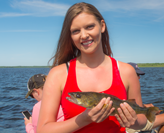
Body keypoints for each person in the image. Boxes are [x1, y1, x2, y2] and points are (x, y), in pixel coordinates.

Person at [37, 2, 156, 133]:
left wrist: (133, 122)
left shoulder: (127, 71)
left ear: (102, 26)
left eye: (89, 27)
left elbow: (142, 121)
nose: (83, 35)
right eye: (76, 31)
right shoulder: (57, 74)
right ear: (70, 36)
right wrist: (84, 119)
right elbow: (43, 129)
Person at [127, 63, 164, 133]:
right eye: (137, 75)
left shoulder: (121, 86)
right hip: (131, 125)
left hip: (127, 123)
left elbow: (130, 105)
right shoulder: (131, 87)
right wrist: (147, 109)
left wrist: (145, 106)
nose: (139, 77)